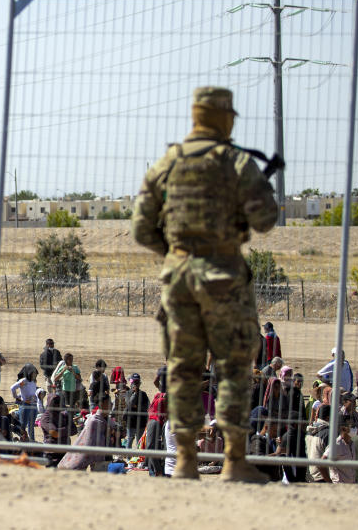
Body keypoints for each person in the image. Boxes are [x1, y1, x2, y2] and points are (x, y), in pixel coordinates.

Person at [132, 86, 278, 482]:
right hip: (224, 277)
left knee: (182, 368)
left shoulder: (168, 162)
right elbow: (265, 218)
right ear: (224, 118)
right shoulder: (235, 161)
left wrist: (176, 253)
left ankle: (183, 460)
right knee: (232, 367)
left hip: (178, 280)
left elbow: (142, 228)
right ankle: (233, 461)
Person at [10, 367, 39, 441]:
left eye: (36, 373)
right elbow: (12, 388)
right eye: (34, 373)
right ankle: (22, 442)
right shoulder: (24, 381)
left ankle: (32, 441)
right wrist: (16, 396)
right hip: (25, 406)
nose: (35, 375)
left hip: (33, 405)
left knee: (31, 425)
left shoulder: (33, 381)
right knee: (23, 426)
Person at [123, 373, 149, 449]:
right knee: (130, 440)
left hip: (141, 422)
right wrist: (135, 394)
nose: (136, 384)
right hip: (131, 421)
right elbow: (130, 404)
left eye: (137, 382)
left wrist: (136, 406)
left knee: (139, 442)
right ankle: (128, 459)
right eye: (134, 382)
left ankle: (138, 459)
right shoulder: (128, 393)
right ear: (131, 383)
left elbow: (146, 406)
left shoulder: (143, 394)